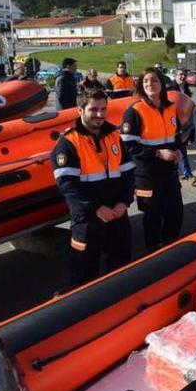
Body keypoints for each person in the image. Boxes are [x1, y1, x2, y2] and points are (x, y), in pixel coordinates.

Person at [52, 89, 135, 288]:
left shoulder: (115, 136)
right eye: (93, 109)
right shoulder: (68, 143)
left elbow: (128, 172)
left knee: (120, 261)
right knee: (84, 269)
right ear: (80, 110)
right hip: (88, 218)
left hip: (117, 212)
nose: (99, 114)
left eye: (103, 109)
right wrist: (97, 208)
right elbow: (68, 186)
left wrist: (124, 202)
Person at [121, 68, 183, 251]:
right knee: (152, 218)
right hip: (147, 175)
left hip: (169, 172)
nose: (150, 84)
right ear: (141, 85)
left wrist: (178, 151)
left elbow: (177, 135)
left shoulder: (171, 107)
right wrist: (157, 153)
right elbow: (128, 146)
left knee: (175, 214)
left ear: (162, 84)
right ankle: (153, 252)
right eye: (146, 81)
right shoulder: (134, 111)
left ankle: (170, 247)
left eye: (154, 80)